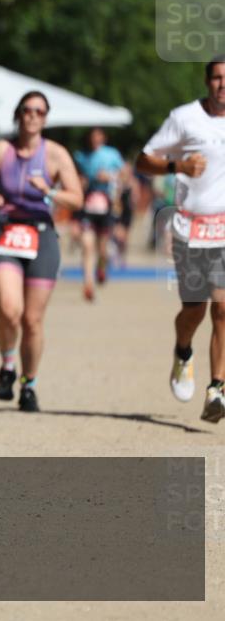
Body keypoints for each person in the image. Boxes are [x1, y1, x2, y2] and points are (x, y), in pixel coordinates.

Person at [0, 91, 83, 412]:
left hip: (41, 237)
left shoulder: (56, 155)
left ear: (46, 118)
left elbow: (76, 199)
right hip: (8, 233)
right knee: (10, 311)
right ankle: (8, 366)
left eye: (39, 111)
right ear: (18, 114)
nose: (33, 116)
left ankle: (29, 384)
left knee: (33, 320)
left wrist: (49, 191)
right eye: (27, 110)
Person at [136, 56, 225, 424]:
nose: (223, 84)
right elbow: (143, 160)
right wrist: (178, 166)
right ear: (207, 82)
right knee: (196, 309)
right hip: (190, 227)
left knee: (223, 308)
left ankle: (217, 388)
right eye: (218, 77)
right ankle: (183, 352)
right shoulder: (184, 117)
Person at [72, 127, 125, 301]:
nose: (95, 139)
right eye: (92, 136)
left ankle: (101, 267)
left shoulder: (112, 154)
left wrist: (109, 177)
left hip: (105, 204)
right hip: (87, 205)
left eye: (98, 136)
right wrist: (80, 182)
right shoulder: (81, 156)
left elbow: (125, 176)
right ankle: (88, 284)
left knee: (102, 248)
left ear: (103, 137)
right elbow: (74, 178)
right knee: (87, 246)